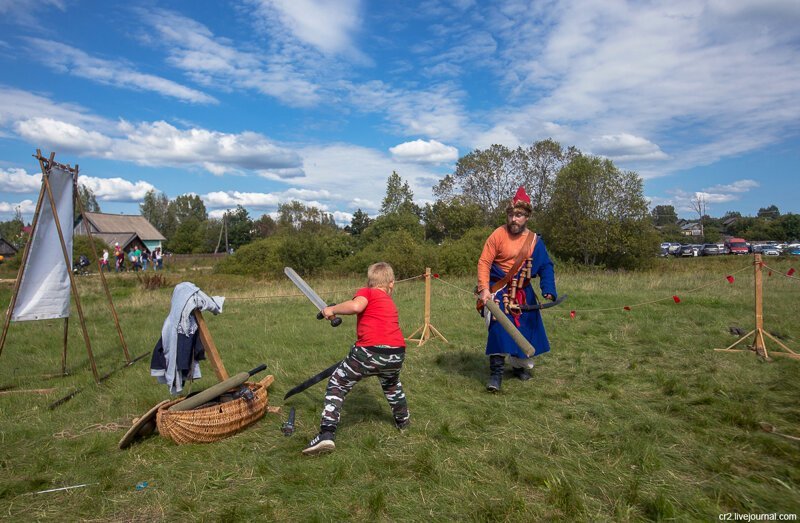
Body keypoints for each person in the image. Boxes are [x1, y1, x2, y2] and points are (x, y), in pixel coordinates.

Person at [303, 262, 410, 456]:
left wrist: (332, 309)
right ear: (391, 284)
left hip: (369, 351)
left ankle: (326, 434)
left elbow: (355, 306)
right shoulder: (389, 301)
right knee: (392, 385)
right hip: (396, 352)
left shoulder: (367, 292)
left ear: (370, 282)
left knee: (338, 382)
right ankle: (403, 421)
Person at [477, 186, 557, 392]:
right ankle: (496, 373)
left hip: (524, 292)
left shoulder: (534, 241)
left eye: (519, 215)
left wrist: (548, 289)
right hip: (499, 290)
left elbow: (546, 266)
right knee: (499, 327)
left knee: (526, 329)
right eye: (511, 214)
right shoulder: (497, 234)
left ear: (527, 217)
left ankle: (520, 368)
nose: (514, 219)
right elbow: (484, 262)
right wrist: (484, 290)